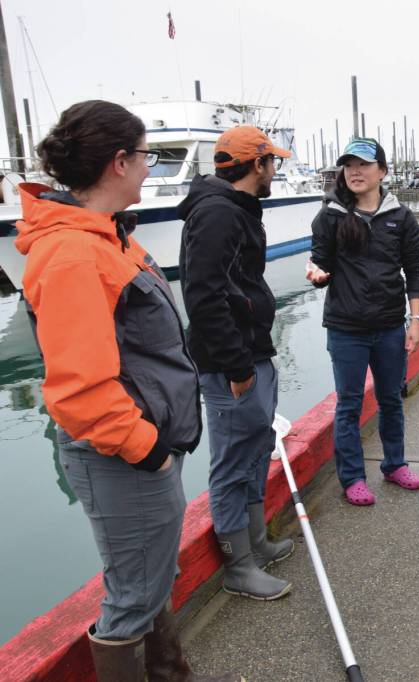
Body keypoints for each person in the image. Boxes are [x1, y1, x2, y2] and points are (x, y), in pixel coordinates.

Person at [16, 100, 238, 681]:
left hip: (137, 450)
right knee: (133, 595)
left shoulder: (105, 237)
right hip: (122, 455)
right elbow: (81, 389)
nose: (149, 168)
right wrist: (151, 451)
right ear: (118, 162)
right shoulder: (72, 252)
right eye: (145, 156)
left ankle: (171, 674)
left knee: (148, 578)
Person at [178, 126, 294, 601]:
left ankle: (257, 541)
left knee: (255, 447)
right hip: (233, 364)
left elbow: (236, 284)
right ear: (257, 165)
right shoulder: (219, 214)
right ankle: (238, 564)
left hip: (253, 350)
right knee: (231, 462)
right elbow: (203, 297)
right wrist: (237, 366)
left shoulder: (239, 210)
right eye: (273, 163)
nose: (275, 172)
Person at [307, 138, 419, 506]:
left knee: (391, 399)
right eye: (349, 165)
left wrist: (416, 319)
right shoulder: (330, 215)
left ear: (383, 171)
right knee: (349, 405)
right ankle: (353, 477)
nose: (355, 171)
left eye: (364, 164)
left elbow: (414, 271)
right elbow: (319, 260)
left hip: (391, 325)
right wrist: (315, 272)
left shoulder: (400, 217)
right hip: (346, 328)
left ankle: (394, 464)